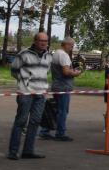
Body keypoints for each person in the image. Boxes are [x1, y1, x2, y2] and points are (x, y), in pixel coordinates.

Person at [7, 32, 51, 160]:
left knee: (35, 122)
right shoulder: (24, 54)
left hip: (41, 94)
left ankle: (28, 151)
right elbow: (14, 70)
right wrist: (24, 82)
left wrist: (42, 87)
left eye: (46, 41)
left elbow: (46, 72)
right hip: (26, 93)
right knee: (21, 121)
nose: (43, 43)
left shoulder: (49, 56)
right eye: (41, 40)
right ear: (35, 41)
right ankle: (13, 152)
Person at [39, 37, 81, 141]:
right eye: (71, 45)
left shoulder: (56, 53)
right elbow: (66, 72)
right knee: (62, 111)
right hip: (63, 86)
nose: (72, 48)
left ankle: (45, 131)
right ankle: (60, 133)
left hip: (56, 85)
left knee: (55, 109)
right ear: (66, 44)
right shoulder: (64, 55)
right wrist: (76, 73)